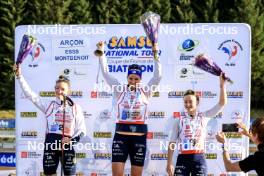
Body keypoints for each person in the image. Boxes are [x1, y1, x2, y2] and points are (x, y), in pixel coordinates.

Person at [95, 41, 162, 176]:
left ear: (140, 79)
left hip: (139, 138)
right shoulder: (119, 89)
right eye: (131, 78)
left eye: (136, 79)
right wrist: (102, 54)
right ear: (127, 77)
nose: (133, 81)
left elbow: (157, 76)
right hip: (121, 137)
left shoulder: (146, 91)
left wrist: (156, 54)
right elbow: (106, 74)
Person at [14, 64, 86, 176]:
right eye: (57, 88)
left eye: (63, 89)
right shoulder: (49, 105)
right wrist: (19, 77)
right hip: (51, 144)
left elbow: (82, 130)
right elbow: (30, 94)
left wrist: (71, 141)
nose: (59, 91)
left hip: (67, 145)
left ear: (69, 91)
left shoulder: (75, 108)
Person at [166, 74, 227, 176]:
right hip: (182, 159)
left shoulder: (205, 116)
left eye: (190, 101)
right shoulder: (178, 120)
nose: (188, 104)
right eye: (185, 102)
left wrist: (222, 85)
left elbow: (222, 103)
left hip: (199, 158)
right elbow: (172, 143)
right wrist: (169, 164)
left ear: (197, 102)